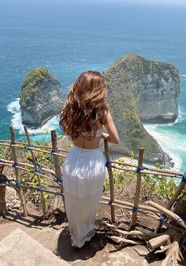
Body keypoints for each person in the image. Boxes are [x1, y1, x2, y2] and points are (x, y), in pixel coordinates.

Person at [59, 71, 119, 248]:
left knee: (73, 200)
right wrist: (101, 135)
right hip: (92, 163)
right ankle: (85, 233)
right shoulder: (102, 112)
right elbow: (115, 139)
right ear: (99, 90)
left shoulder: (69, 109)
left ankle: (75, 234)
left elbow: (70, 134)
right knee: (89, 200)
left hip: (73, 159)